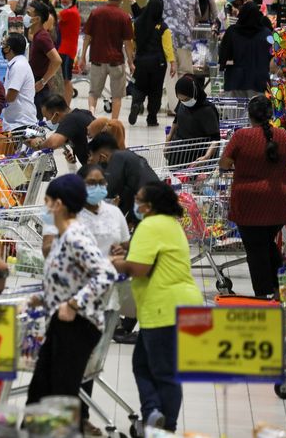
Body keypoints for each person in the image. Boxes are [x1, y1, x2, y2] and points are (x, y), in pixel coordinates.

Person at [40, 165, 130, 436]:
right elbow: (47, 248)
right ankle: (68, 419)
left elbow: (125, 246)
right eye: (91, 183)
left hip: (103, 300)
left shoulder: (113, 213)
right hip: (71, 300)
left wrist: (120, 251)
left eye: (101, 182)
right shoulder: (67, 216)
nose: (98, 187)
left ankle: (79, 417)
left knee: (88, 363)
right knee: (69, 365)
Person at [111, 182, 203, 432]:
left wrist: (115, 263)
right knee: (143, 364)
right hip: (183, 303)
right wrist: (130, 247)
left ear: (149, 206)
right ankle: (152, 414)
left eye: (138, 200)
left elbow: (141, 268)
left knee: (163, 371)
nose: (135, 204)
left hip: (165, 306)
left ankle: (165, 427)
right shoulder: (169, 223)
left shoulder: (150, 225)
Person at [220, 95, 286, 296]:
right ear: (270, 114)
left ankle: (264, 295)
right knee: (266, 244)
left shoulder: (241, 136)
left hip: (250, 204)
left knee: (256, 251)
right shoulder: (283, 135)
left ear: (249, 115)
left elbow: (224, 163)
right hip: (281, 201)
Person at [77, 0, 134, 120]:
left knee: (93, 93)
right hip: (116, 61)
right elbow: (128, 43)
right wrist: (131, 62)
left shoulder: (96, 13)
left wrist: (83, 57)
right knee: (117, 96)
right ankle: (114, 122)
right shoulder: (124, 17)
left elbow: (87, 37)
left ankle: (91, 117)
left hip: (97, 59)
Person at [87, 133, 160, 221]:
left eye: (91, 155)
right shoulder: (126, 156)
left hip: (150, 206)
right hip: (155, 201)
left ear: (102, 156)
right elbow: (126, 194)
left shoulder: (116, 159)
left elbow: (108, 192)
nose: (90, 159)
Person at [128, 0, 176, 127]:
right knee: (155, 90)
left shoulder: (136, 23)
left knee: (139, 86)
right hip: (157, 63)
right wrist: (172, 63)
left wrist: (132, 56)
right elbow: (167, 47)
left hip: (141, 61)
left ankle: (137, 103)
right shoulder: (163, 27)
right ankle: (152, 118)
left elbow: (132, 41)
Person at [161, 0, 199, 114]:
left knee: (171, 73)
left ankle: (173, 107)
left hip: (167, 39)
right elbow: (197, 15)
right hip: (185, 39)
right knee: (185, 72)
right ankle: (186, 103)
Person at [219, 2, 272, 98]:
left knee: (234, 112)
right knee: (257, 112)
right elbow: (273, 57)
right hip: (259, 82)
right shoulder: (267, 34)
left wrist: (222, 67)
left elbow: (223, 55)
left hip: (234, 81)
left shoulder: (232, 32)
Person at [165, 76, 220, 167]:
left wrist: (206, 157)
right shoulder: (182, 104)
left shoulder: (207, 110)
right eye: (181, 100)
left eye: (186, 99)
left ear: (194, 93)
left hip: (197, 157)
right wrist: (168, 143)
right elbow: (176, 122)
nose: (184, 102)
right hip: (179, 154)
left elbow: (216, 138)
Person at [28, 94, 95, 166]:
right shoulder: (83, 113)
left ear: (56, 114)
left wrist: (38, 145)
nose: (47, 120)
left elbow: (53, 143)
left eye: (47, 117)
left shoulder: (71, 119)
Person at [28, 1, 63, 118]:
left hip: (40, 88)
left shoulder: (42, 37)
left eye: (29, 14)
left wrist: (43, 81)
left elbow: (57, 60)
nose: (25, 16)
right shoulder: (37, 35)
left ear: (37, 19)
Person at [2, 32, 38, 131]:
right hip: (15, 121)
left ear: (9, 48)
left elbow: (11, 96)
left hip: (21, 123)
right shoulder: (15, 64)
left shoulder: (19, 66)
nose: (2, 47)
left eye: (4, 44)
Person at [58, 0, 80, 106]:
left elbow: (53, 18)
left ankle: (66, 106)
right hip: (66, 48)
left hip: (66, 49)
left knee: (66, 80)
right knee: (65, 79)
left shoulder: (69, 12)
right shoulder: (71, 11)